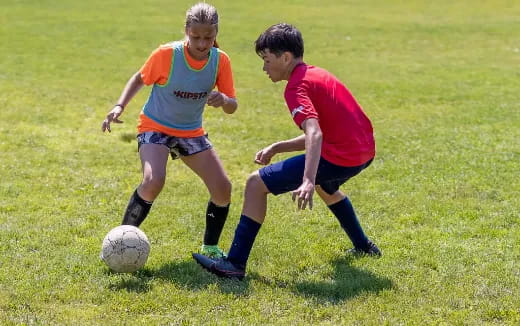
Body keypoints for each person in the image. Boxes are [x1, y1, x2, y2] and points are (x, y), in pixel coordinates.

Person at [193, 23, 380, 279]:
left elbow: (315, 133)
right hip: (364, 152)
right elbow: (328, 131)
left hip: (341, 156)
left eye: (267, 60)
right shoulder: (318, 74)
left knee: (255, 184)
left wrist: (307, 180)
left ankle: (234, 264)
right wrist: (278, 147)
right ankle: (364, 246)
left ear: (286, 57)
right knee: (327, 186)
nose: (264, 68)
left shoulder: (296, 87)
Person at [101, 3, 237, 259]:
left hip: (191, 132)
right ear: (186, 30)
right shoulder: (167, 54)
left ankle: (210, 248)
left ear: (215, 33)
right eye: (195, 37)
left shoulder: (221, 61)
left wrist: (225, 101)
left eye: (208, 37)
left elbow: (233, 105)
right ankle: (120, 244)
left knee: (223, 188)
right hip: (155, 127)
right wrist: (119, 106)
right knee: (153, 181)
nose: (201, 43)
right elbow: (140, 78)